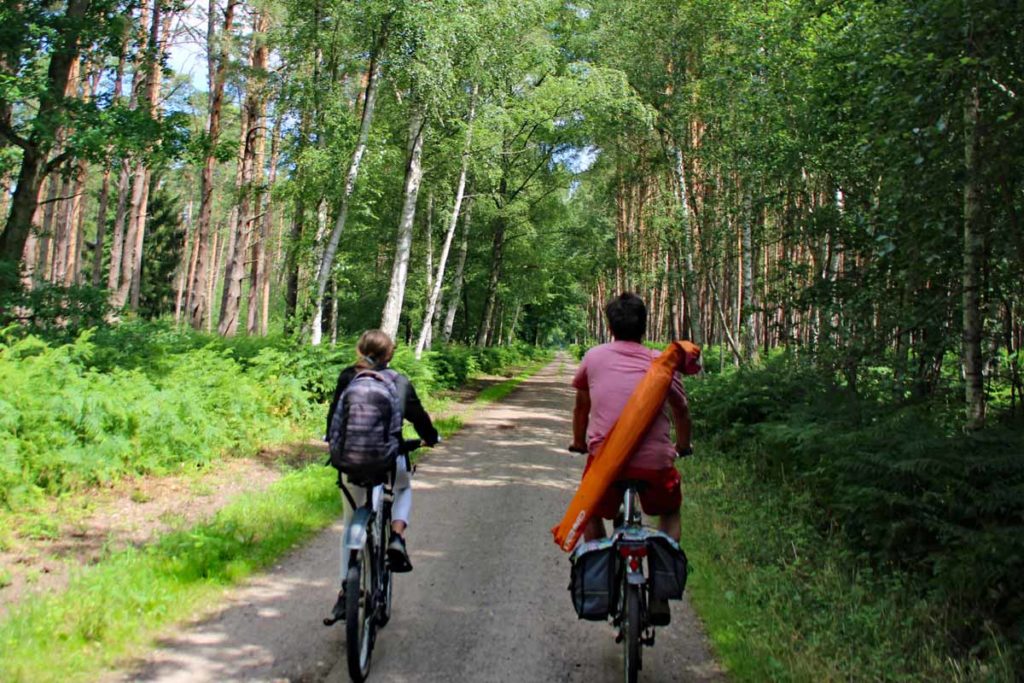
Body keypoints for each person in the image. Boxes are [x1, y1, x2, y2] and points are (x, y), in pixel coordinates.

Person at [326, 330, 439, 611]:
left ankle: (345, 590)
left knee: (350, 521)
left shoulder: (347, 378)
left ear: (359, 349)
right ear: (390, 355)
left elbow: (333, 422)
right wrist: (431, 437)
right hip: (389, 463)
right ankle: (398, 536)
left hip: (350, 463)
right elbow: (420, 418)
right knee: (402, 488)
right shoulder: (399, 382)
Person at [568, 293, 692, 545]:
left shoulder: (593, 356)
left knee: (588, 509)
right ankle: (664, 569)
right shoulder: (662, 362)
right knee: (669, 512)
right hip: (655, 465)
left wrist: (579, 442)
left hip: (606, 461)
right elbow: (682, 411)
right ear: (644, 327)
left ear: (610, 327)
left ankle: (599, 563)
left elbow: (581, 408)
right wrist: (683, 446)